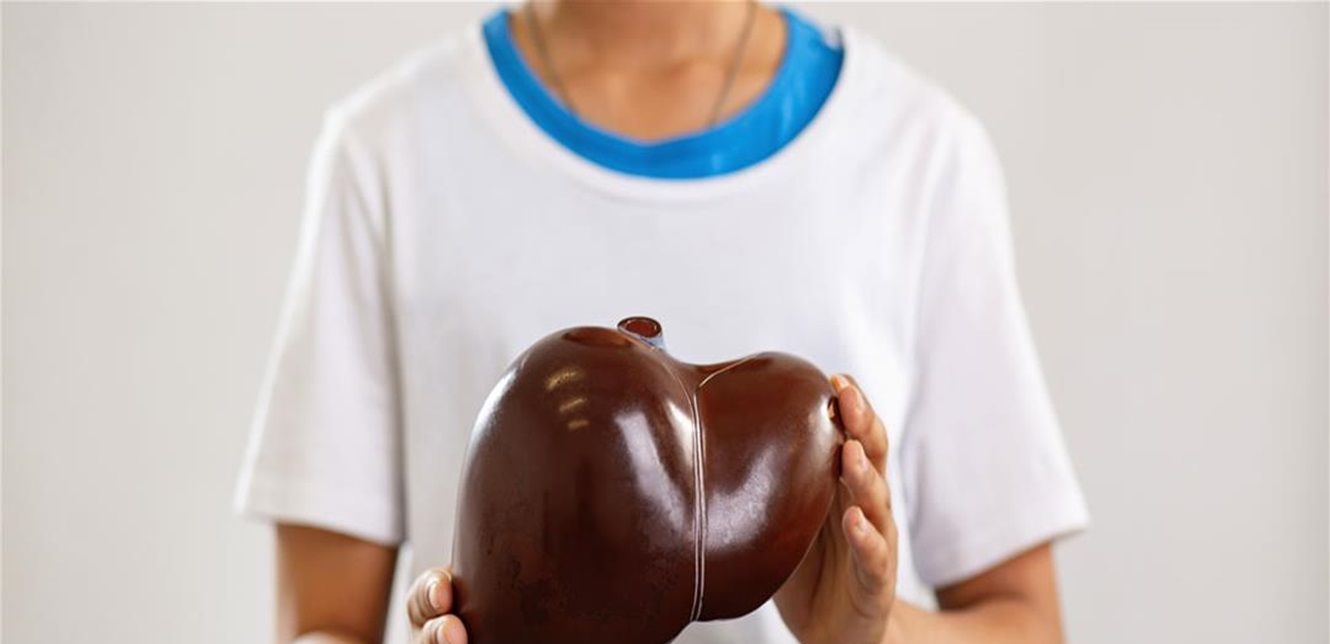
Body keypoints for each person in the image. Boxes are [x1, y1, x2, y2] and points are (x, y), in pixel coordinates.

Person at [235, 1, 1089, 643]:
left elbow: (1024, 622)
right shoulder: (387, 154)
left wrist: (874, 632)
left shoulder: (917, 155)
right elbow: (320, 624)